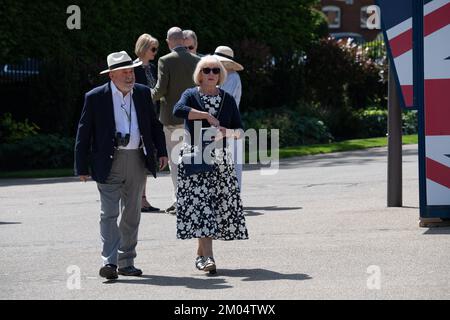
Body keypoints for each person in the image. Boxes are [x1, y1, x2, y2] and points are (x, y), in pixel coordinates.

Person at [75, 51, 168, 280]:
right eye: (124, 72)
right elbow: (83, 132)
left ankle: (127, 261)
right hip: (109, 161)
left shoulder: (143, 93)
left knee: (132, 212)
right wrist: (81, 166)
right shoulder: (95, 97)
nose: (130, 76)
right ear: (112, 75)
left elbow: (155, 126)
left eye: (131, 71)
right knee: (109, 212)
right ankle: (109, 262)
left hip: (137, 159)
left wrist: (162, 152)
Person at [173, 55, 248, 274]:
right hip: (195, 156)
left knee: (211, 207)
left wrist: (227, 132)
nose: (211, 74)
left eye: (216, 70)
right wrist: (205, 115)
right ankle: (208, 257)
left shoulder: (227, 99)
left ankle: (201, 254)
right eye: (207, 70)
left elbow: (241, 131)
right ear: (199, 73)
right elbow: (178, 110)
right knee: (201, 205)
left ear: (221, 75)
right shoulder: (190, 95)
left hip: (219, 159)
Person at [152, 27, 200, 215]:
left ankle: (179, 200)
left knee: (175, 162)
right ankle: (191, 198)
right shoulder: (197, 60)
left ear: (169, 41)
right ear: (182, 39)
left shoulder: (165, 60)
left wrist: (143, 95)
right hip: (193, 118)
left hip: (171, 119)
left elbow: (160, 90)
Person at [134, 33, 161, 213]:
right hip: (137, 118)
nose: (155, 52)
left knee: (146, 158)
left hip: (153, 116)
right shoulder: (132, 69)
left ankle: (142, 198)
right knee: (137, 158)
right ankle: (138, 199)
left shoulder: (152, 68)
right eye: (153, 49)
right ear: (143, 49)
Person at [213, 46, 244, 190]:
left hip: (230, 127)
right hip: (218, 127)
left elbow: (222, 101)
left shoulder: (232, 77)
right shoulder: (219, 78)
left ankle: (233, 199)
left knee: (232, 167)